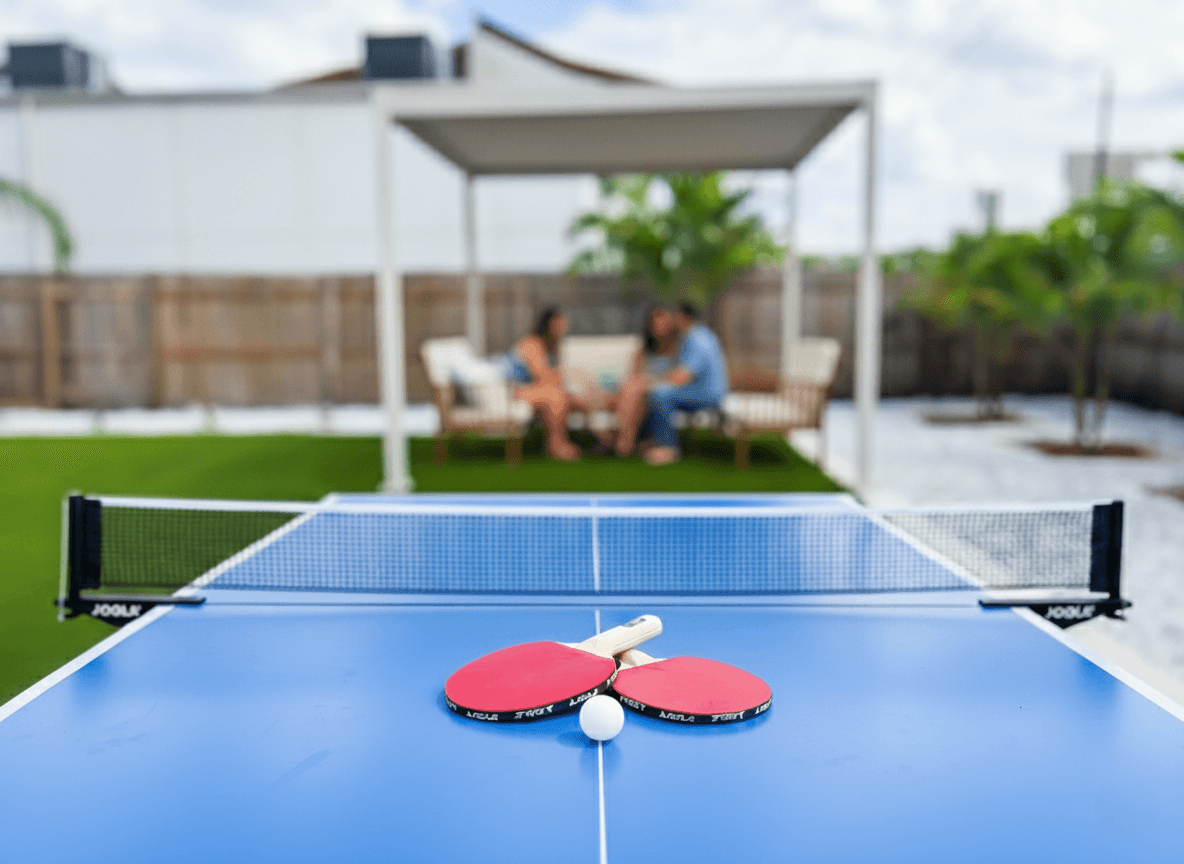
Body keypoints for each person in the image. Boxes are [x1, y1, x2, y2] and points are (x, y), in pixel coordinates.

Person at [623, 301, 728, 466]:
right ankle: (643, 441)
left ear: (682, 318)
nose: (671, 322)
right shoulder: (692, 336)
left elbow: (682, 377)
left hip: (707, 394)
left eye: (673, 317)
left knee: (660, 394)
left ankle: (668, 448)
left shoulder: (698, 339)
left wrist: (651, 381)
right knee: (654, 392)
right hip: (698, 389)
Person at [506, 307, 580, 461]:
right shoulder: (532, 344)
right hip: (511, 392)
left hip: (531, 391)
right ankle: (556, 445)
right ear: (549, 324)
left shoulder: (552, 347)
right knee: (555, 396)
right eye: (560, 323)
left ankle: (604, 439)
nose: (564, 327)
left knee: (569, 396)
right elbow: (544, 378)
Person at [613, 305, 678, 457]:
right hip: (643, 394)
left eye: (663, 323)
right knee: (633, 387)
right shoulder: (643, 349)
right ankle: (626, 440)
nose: (659, 327)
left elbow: (679, 376)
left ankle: (624, 441)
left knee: (635, 388)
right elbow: (635, 374)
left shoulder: (679, 348)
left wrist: (652, 381)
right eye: (656, 323)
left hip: (666, 390)